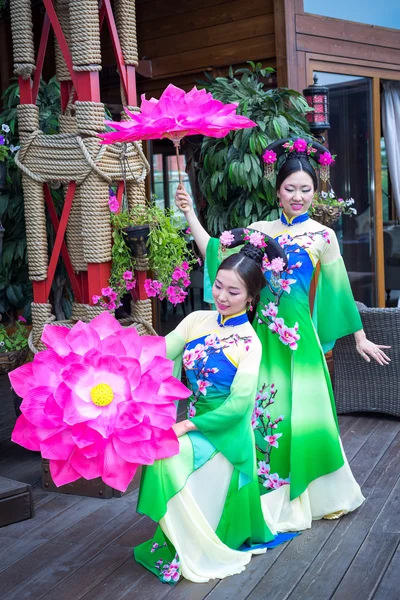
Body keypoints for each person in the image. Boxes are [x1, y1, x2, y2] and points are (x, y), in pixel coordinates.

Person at [175, 137, 390, 533]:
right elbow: (217, 260)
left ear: (316, 190)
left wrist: (359, 337)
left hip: (298, 342)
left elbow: (339, 290)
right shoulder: (257, 230)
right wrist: (190, 214)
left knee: (304, 415)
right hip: (258, 339)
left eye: (306, 189)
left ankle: (317, 496)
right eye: (290, 188)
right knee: (263, 414)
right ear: (277, 189)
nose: (298, 196)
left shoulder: (323, 236)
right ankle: (263, 496)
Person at [134, 245, 295, 585]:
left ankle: (194, 542)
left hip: (225, 432)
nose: (222, 296)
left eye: (233, 291)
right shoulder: (196, 320)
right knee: (159, 454)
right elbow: (161, 351)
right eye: (218, 285)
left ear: (251, 298)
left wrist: (186, 425)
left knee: (165, 457)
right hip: (194, 422)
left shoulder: (250, 343)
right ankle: (181, 540)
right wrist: (121, 354)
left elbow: (238, 406)